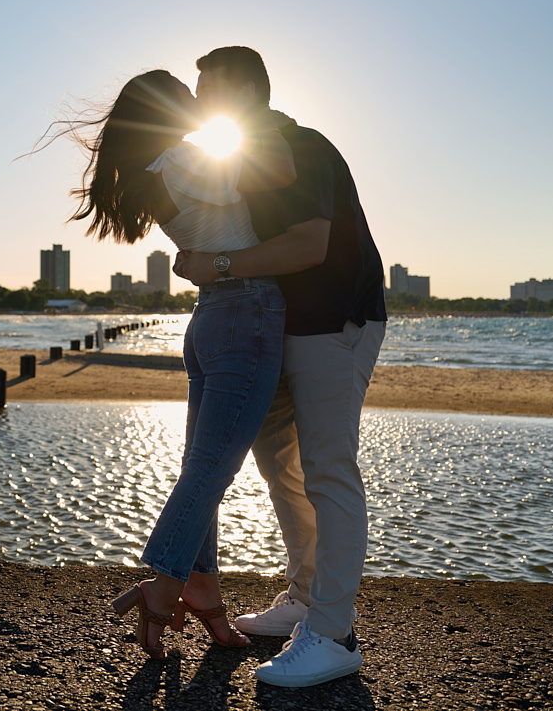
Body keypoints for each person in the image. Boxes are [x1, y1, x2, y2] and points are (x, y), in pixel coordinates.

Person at [175, 46, 387, 688]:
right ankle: (304, 599)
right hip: (277, 330)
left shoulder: (302, 147)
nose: (196, 101)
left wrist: (217, 267)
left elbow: (308, 244)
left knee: (328, 467)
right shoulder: (242, 159)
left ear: (243, 92)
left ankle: (334, 632)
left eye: (206, 89)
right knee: (282, 471)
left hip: (335, 322)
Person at [68, 69, 295, 660]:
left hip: (213, 320)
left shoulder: (154, 170)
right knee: (209, 474)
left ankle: (206, 598)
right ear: (168, 108)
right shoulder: (182, 159)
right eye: (188, 94)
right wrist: (249, 118)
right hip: (246, 315)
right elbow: (275, 173)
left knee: (203, 472)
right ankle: (164, 588)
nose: (199, 101)